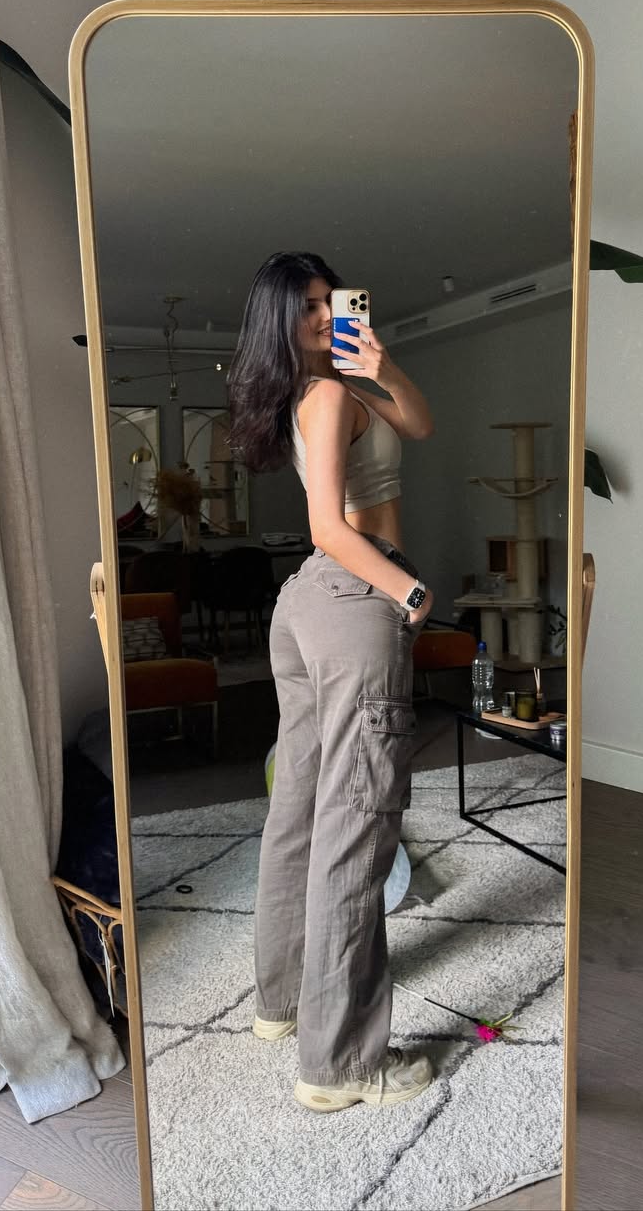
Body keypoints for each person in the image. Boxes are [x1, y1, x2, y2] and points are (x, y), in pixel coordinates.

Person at [228, 251, 437, 1113]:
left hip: (309, 605)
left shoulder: (337, 388)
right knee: (358, 819)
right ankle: (341, 1065)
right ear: (281, 321)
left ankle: (281, 1003)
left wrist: (380, 362)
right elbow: (326, 524)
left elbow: (419, 424)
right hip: (353, 594)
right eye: (307, 307)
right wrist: (409, 591)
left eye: (329, 300)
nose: (322, 315)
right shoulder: (324, 397)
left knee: (303, 810)